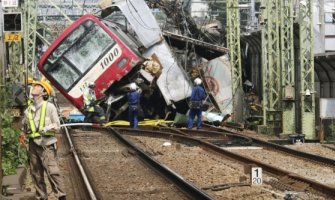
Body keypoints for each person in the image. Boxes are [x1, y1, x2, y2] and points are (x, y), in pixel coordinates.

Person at [21, 81, 66, 200]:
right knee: (36, 173)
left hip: (46, 144)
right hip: (32, 145)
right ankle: (42, 196)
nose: (34, 88)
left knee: (52, 172)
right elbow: (24, 127)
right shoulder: (28, 111)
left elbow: (57, 125)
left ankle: (61, 196)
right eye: (34, 86)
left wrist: (46, 128)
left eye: (38, 87)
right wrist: (23, 134)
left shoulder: (49, 107)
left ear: (44, 92)